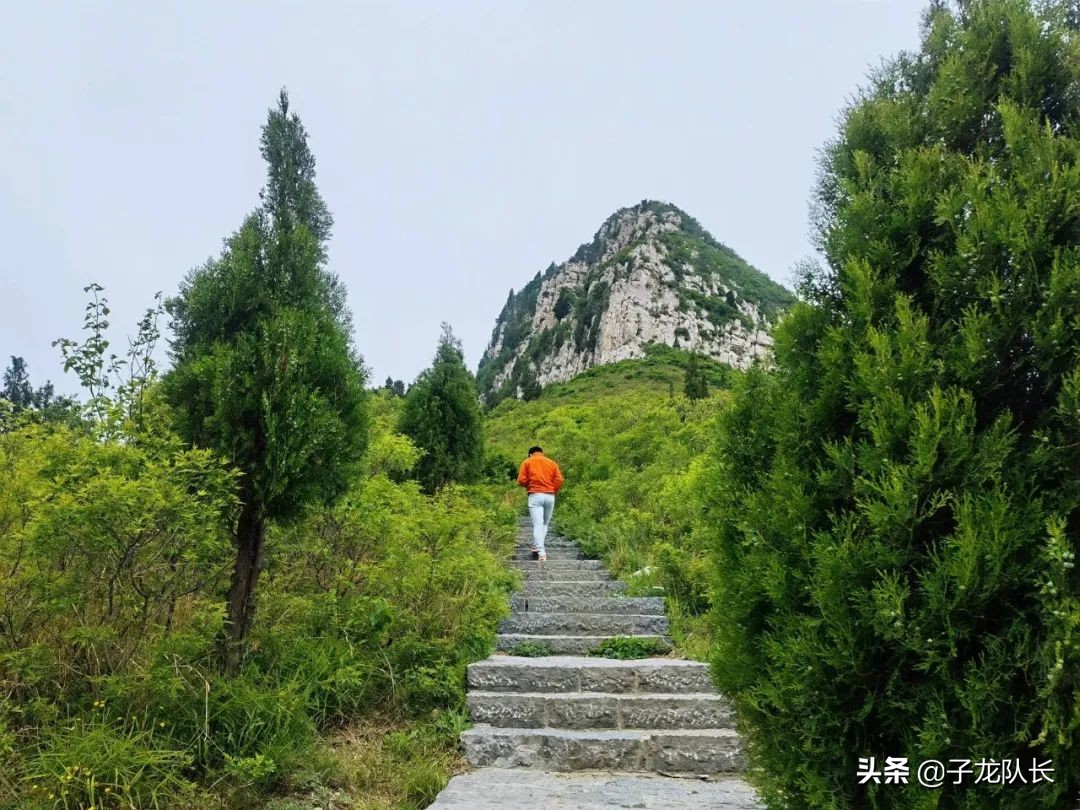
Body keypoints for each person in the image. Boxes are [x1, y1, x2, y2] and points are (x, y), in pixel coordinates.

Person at [516, 446, 564, 561]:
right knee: (545, 524)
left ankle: (541, 552)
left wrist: (530, 485)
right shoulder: (551, 463)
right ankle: (536, 545)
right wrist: (553, 490)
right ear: (542, 453)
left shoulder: (528, 461)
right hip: (550, 496)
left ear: (530, 454)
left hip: (535, 495)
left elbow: (521, 480)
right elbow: (559, 480)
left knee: (537, 524)